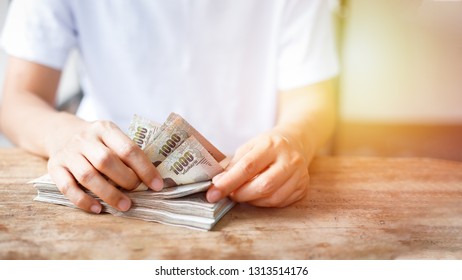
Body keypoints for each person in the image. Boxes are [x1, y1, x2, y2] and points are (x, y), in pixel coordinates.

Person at [0, 0, 338, 214]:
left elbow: (313, 97)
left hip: (253, 187)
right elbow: (15, 98)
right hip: (102, 183)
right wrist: (63, 134)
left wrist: (295, 139)